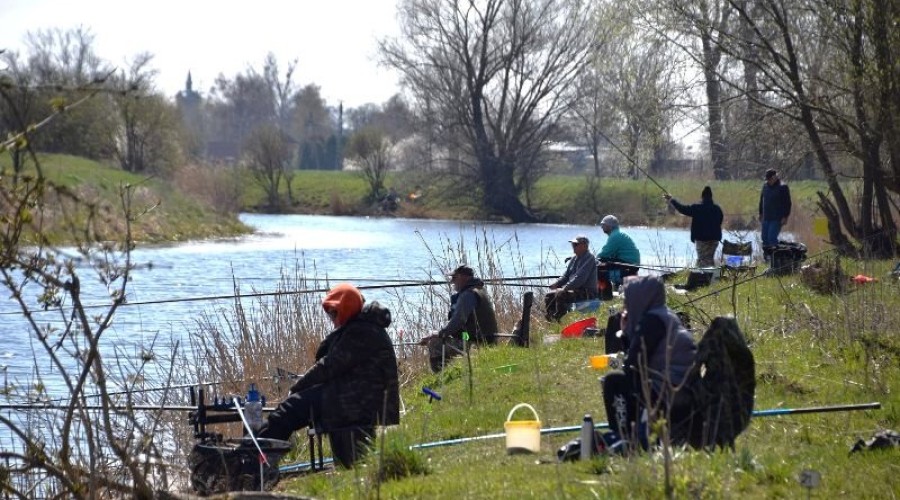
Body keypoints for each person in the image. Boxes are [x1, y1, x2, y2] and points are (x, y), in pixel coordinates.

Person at [258, 283, 400, 468]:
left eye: (334, 313)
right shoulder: (361, 326)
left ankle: (256, 460)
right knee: (288, 411)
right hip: (351, 394)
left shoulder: (362, 331)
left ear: (346, 308)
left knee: (289, 410)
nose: (332, 318)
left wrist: (297, 387)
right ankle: (260, 455)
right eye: (330, 314)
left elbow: (328, 366)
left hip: (356, 400)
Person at [600, 275, 697, 452]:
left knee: (613, 382)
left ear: (639, 298)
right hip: (683, 389)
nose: (625, 305)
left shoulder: (651, 323)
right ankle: (636, 430)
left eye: (628, 299)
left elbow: (633, 367)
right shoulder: (665, 316)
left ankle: (624, 436)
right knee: (628, 382)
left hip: (669, 393)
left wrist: (625, 333)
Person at [420, 265, 498, 372]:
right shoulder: (480, 290)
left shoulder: (468, 295)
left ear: (463, 278)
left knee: (434, 342)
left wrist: (438, 334)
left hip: (477, 343)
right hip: (487, 339)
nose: (452, 282)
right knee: (439, 336)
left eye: (454, 278)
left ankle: (440, 376)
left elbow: (457, 321)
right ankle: (451, 372)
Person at [665, 186, 724, 267]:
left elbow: (682, 209)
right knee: (709, 259)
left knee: (702, 260)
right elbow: (720, 221)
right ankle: (711, 276)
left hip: (701, 239)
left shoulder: (697, 208)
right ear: (711, 197)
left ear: (702, 197)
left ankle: (702, 277)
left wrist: (672, 200)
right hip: (714, 240)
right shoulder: (717, 209)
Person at [544, 235, 599, 321]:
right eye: (573, 244)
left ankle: (560, 317)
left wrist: (564, 288)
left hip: (587, 292)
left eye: (575, 244)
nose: (573, 246)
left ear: (584, 246)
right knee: (549, 296)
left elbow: (580, 278)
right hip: (575, 289)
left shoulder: (589, 258)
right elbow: (566, 276)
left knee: (561, 294)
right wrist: (557, 283)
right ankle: (551, 318)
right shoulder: (574, 258)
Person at [596, 215, 641, 298]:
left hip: (628, 266)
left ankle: (606, 297)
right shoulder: (617, 234)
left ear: (609, 226)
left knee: (598, 272)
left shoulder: (615, 236)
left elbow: (604, 253)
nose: (602, 227)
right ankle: (607, 294)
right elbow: (608, 255)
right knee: (601, 266)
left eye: (603, 225)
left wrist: (592, 259)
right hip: (629, 263)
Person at [758, 168, 792, 251]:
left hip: (777, 218)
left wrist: (785, 216)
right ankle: (767, 258)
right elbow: (762, 200)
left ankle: (776, 258)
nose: (769, 181)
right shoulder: (765, 186)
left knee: (771, 238)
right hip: (766, 217)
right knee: (764, 238)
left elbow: (788, 203)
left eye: (770, 179)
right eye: (767, 179)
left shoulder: (783, 187)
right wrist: (760, 213)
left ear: (775, 177)